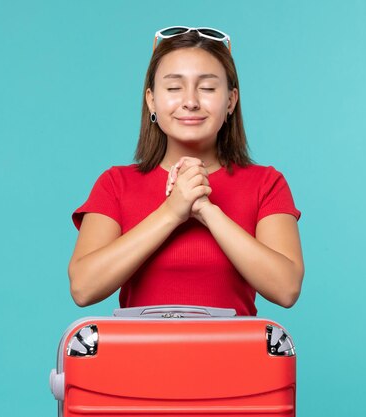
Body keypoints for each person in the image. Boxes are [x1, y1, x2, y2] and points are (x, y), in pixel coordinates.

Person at [68, 27, 304, 316]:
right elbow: (83, 287)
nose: (190, 101)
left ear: (230, 101)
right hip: (138, 359)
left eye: (206, 88)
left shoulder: (267, 184)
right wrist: (171, 212)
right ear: (152, 100)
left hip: (235, 359)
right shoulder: (115, 184)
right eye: (173, 88)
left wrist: (207, 211)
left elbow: (286, 288)